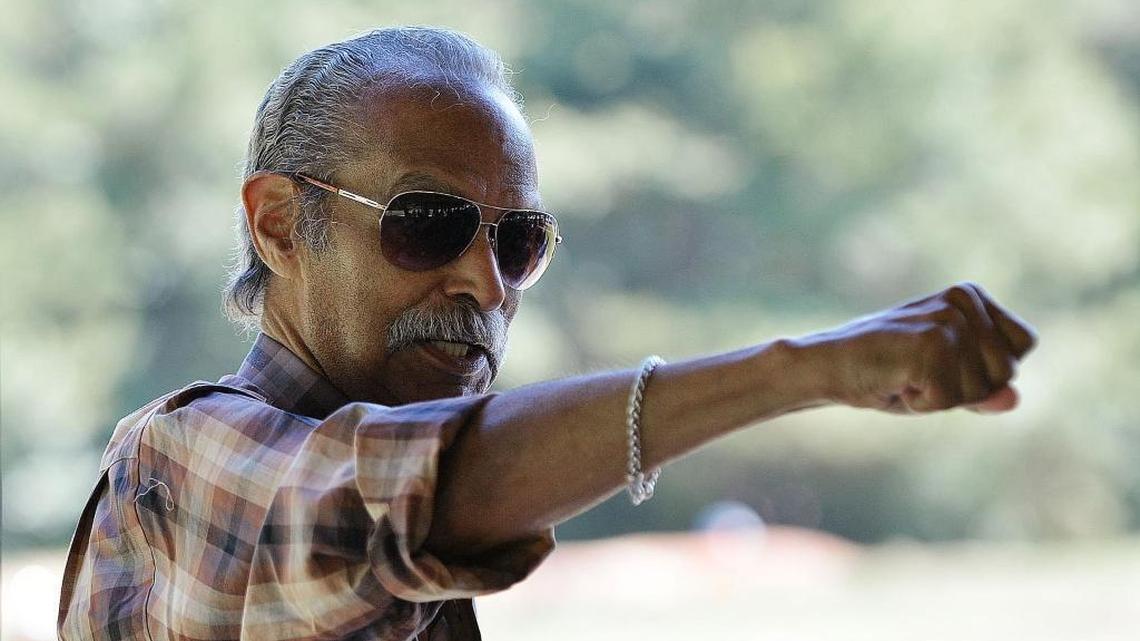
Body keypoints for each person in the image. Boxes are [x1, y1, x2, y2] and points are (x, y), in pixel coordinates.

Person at [57, 26, 1038, 641]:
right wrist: (805, 370)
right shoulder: (174, 465)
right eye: (428, 222)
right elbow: (388, 497)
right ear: (278, 223)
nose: (485, 281)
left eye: (519, 240)